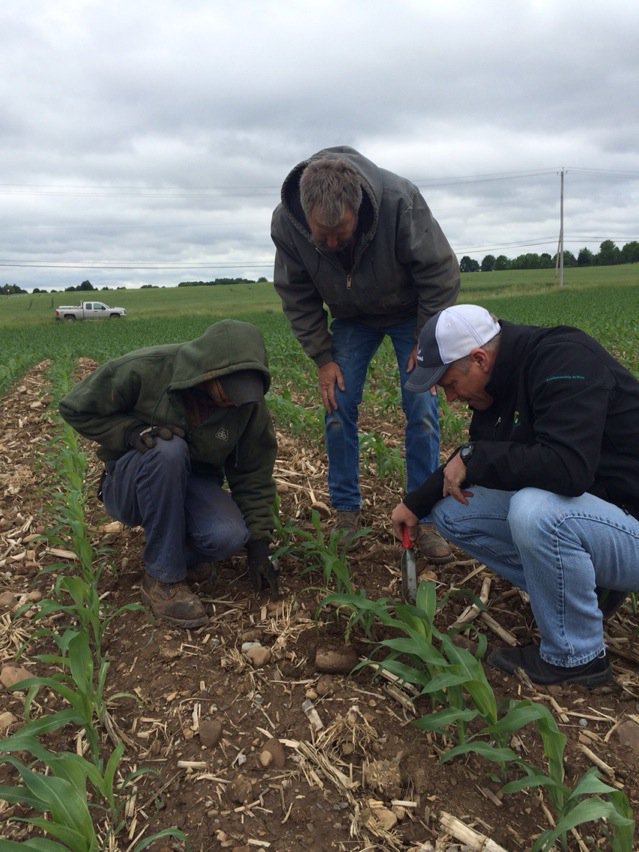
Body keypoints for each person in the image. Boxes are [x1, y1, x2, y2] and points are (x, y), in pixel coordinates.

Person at [391, 303, 639, 687]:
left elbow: (568, 469)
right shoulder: (497, 387)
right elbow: (477, 460)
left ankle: (576, 658)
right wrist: (415, 503)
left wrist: (475, 457)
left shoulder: (564, 359)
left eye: (450, 384)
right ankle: (585, 591)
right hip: (604, 517)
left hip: (630, 519)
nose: (450, 398)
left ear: (479, 359)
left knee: (535, 511)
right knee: (452, 511)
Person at [271, 145, 460, 558]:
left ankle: (424, 516)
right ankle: (346, 513)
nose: (332, 243)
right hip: (351, 317)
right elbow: (296, 294)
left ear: (358, 208)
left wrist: (426, 341)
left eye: (341, 234)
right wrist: (323, 358)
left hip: (410, 312)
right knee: (337, 402)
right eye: (322, 236)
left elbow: (440, 272)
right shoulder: (287, 224)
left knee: (421, 405)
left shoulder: (400, 201)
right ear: (305, 214)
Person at [59, 319, 279, 629]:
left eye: (241, 395)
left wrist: (258, 547)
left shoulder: (247, 405)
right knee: (168, 449)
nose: (233, 401)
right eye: (228, 392)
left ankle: (171, 549)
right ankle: (162, 579)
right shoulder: (146, 369)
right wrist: (130, 432)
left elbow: (254, 473)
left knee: (228, 536)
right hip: (130, 483)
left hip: (191, 484)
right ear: (210, 372)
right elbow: (74, 408)